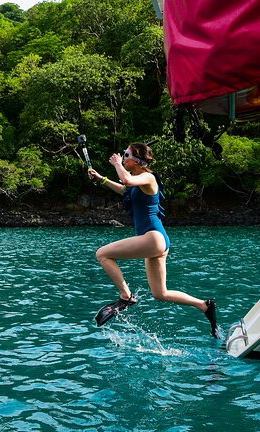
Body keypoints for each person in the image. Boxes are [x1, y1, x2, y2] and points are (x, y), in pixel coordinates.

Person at [88, 142, 218, 338]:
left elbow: (126, 181)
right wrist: (101, 179)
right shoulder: (137, 180)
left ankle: (126, 296)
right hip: (156, 241)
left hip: (153, 237)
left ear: (137, 161)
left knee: (102, 254)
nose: (123, 157)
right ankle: (204, 305)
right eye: (122, 155)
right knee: (160, 294)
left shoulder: (148, 177)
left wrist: (116, 164)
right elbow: (125, 189)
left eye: (126, 155)